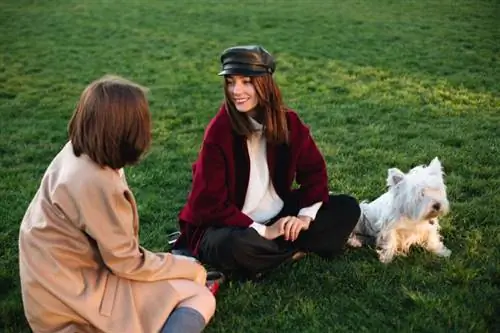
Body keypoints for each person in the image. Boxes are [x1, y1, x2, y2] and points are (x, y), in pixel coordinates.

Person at [18, 75, 216, 333]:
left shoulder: (77, 151)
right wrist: (186, 266)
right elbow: (126, 263)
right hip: (74, 301)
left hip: (55, 286)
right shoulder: (97, 182)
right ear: (127, 129)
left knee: (183, 276)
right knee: (199, 295)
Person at [173, 45, 361, 280]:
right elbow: (209, 204)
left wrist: (302, 218)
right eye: (231, 82)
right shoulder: (219, 131)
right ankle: (290, 251)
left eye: (245, 81)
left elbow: (314, 174)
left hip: (279, 213)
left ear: (265, 83)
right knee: (237, 245)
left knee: (347, 208)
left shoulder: (288, 123)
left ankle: (268, 257)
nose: (236, 91)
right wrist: (265, 231)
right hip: (231, 225)